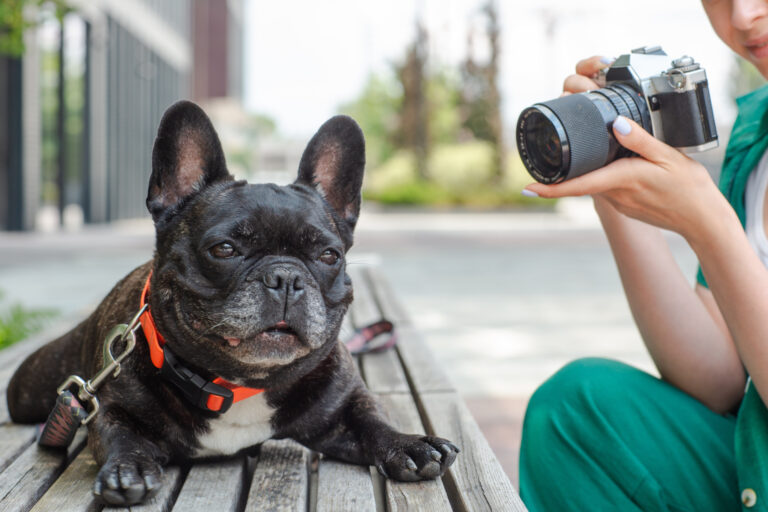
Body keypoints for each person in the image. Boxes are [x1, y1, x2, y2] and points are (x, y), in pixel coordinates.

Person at [518, 1, 768, 510]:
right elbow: (717, 378)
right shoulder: (756, 132)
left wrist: (711, 224)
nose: (742, 16)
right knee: (575, 408)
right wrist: (612, 171)